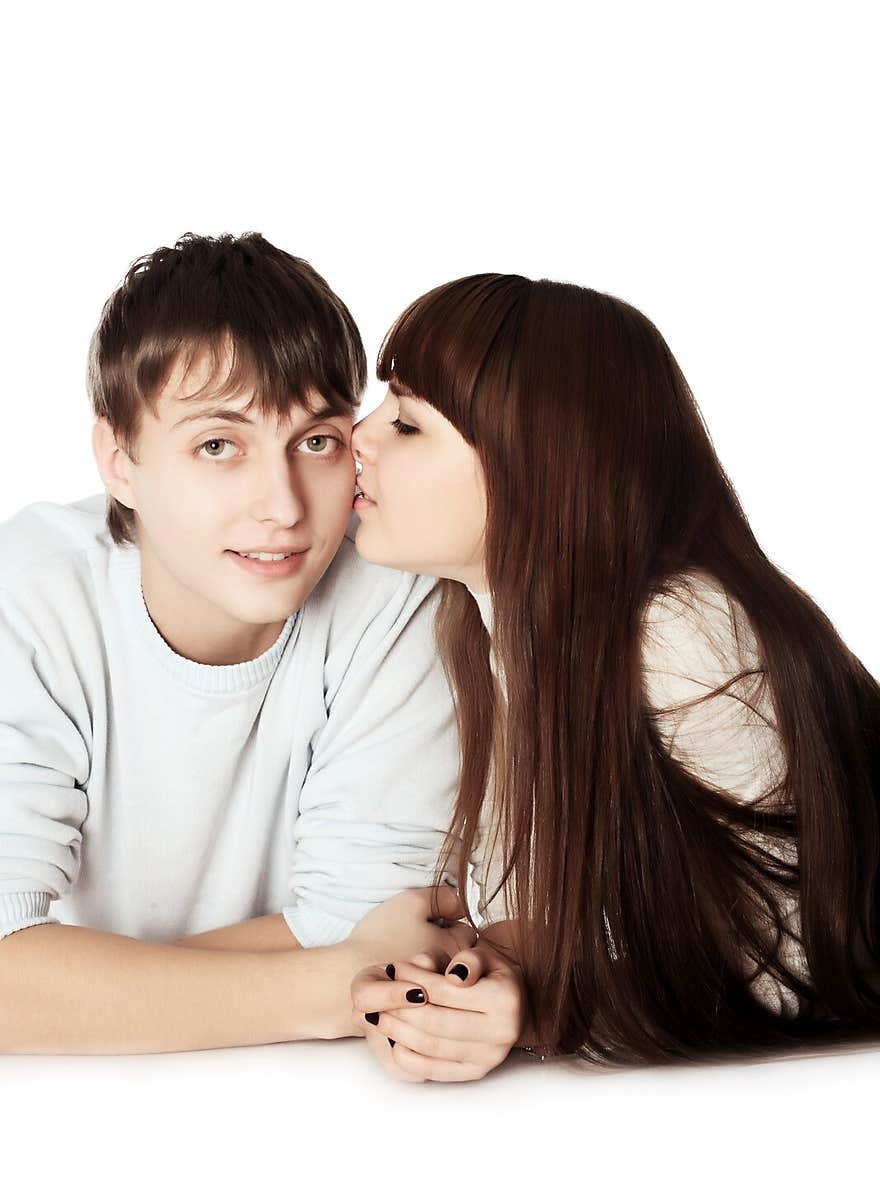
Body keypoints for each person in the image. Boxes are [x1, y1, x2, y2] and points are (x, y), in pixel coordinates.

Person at [349, 272, 880, 1078]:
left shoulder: (679, 632)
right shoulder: (494, 632)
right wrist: (479, 965)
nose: (360, 434)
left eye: (409, 423)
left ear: (537, 461)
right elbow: (582, 908)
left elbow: (798, 961)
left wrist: (540, 1005)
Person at [0, 232, 492, 1056]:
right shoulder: (32, 591)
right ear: (120, 463)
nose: (284, 507)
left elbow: (374, 926)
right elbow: (365, 968)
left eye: (317, 441)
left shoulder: (398, 591)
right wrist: (338, 982)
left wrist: (66, 991)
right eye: (218, 445)